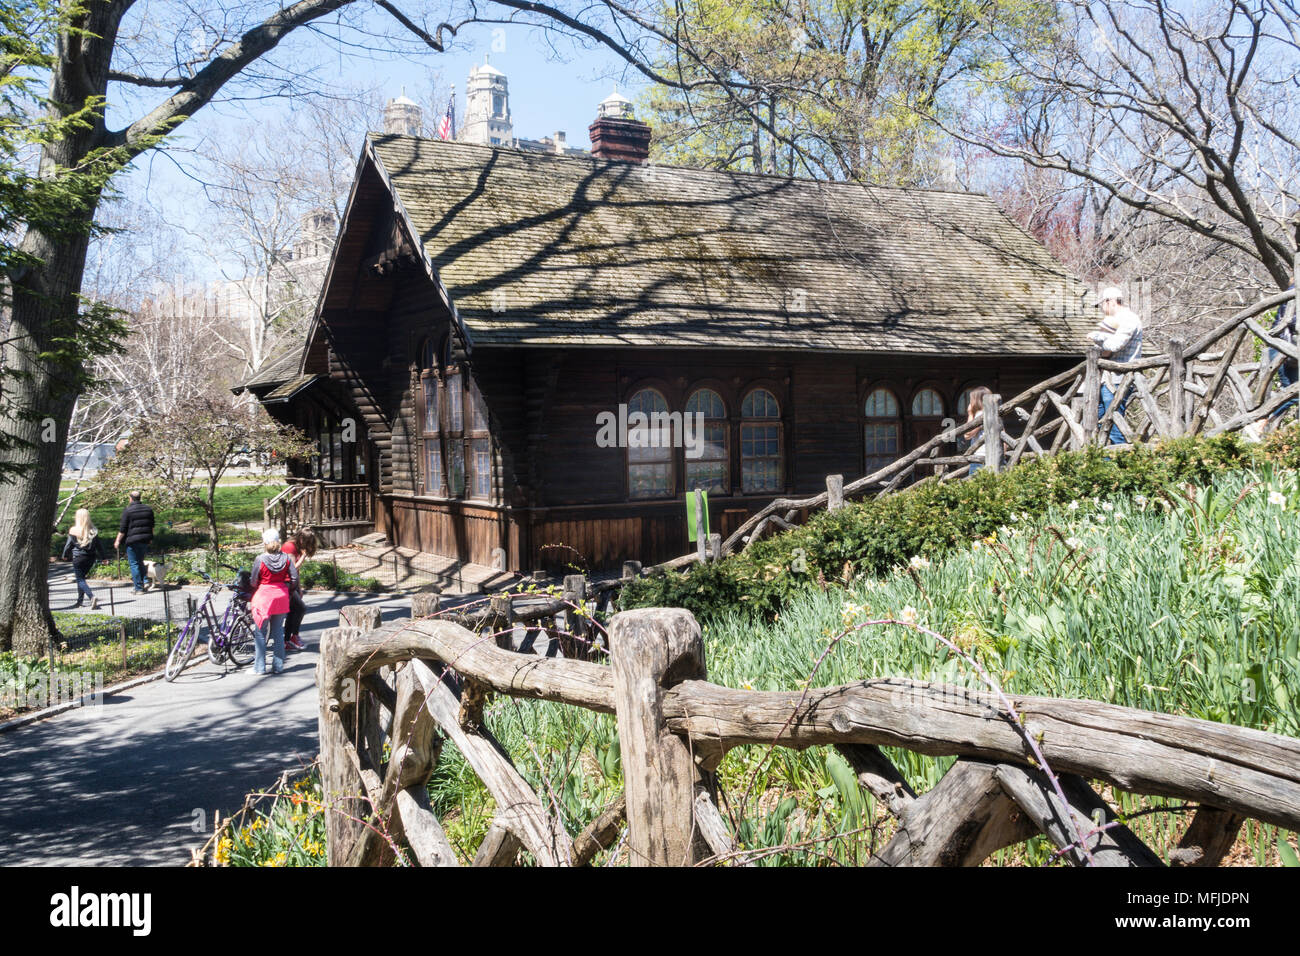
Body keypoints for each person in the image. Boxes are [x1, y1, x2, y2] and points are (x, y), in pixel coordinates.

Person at [1089, 285, 1143, 445]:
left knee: (1114, 423)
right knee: (1100, 419)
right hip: (1108, 378)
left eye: (1102, 305)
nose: (1102, 309)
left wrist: (1097, 336)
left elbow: (1114, 346)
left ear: (1110, 302)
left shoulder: (1129, 319)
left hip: (1119, 378)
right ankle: (1103, 460)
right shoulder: (1115, 321)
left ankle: (1117, 462)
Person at [249, 528, 299, 676]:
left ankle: (259, 667)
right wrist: (287, 589)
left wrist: (258, 585)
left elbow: (253, 581)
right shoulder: (287, 558)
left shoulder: (260, 559)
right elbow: (294, 578)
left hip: (264, 597)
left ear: (264, 542)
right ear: (278, 541)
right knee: (278, 632)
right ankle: (278, 666)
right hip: (281, 596)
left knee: (260, 633)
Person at [280, 528, 317, 651]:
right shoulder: (289, 547)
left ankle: (287, 640)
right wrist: (303, 557)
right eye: (307, 543)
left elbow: (297, 573)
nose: (308, 546)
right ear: (301, 539)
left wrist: (299, 588)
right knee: (301, 608)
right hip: (285, 584)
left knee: (293, 611)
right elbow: (292, 569)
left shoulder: (298, 547)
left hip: (292, 585)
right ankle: (292, 637)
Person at [62, 508, 106, 610]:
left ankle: (91, 597)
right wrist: (104, 557)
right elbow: (99, 546)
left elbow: (68, 545)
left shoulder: (73, 530)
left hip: (78, 558)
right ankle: (79, 601)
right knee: (81, 578)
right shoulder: (93, 531)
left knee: (80, 579)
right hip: (90, 558)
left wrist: (65, 555)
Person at [113, 491, 155, 594]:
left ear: (130, 498)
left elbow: (123, 528)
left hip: (132, 540)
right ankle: (145, 581)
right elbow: (152, 526)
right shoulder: (148, 509)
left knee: (134, 563)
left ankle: (138, 588)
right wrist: (150, 538)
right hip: (145, 539)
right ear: (140, 498)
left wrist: (117, 540)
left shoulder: (128, 510)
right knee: (140, 561)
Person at [1267, 287, 1297, 429]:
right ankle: (1261, 421)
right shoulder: (1294, 292)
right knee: (1294, 394)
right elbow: (1293, 322)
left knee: (1294, 394)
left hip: (1287, 351)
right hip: (1283, 350)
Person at [963, 386, 993, 476]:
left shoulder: (980, 415)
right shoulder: (993, 413)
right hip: (993, 456)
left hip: (980, 457)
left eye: (971, 399)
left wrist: (970, 413)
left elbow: (967, 434)